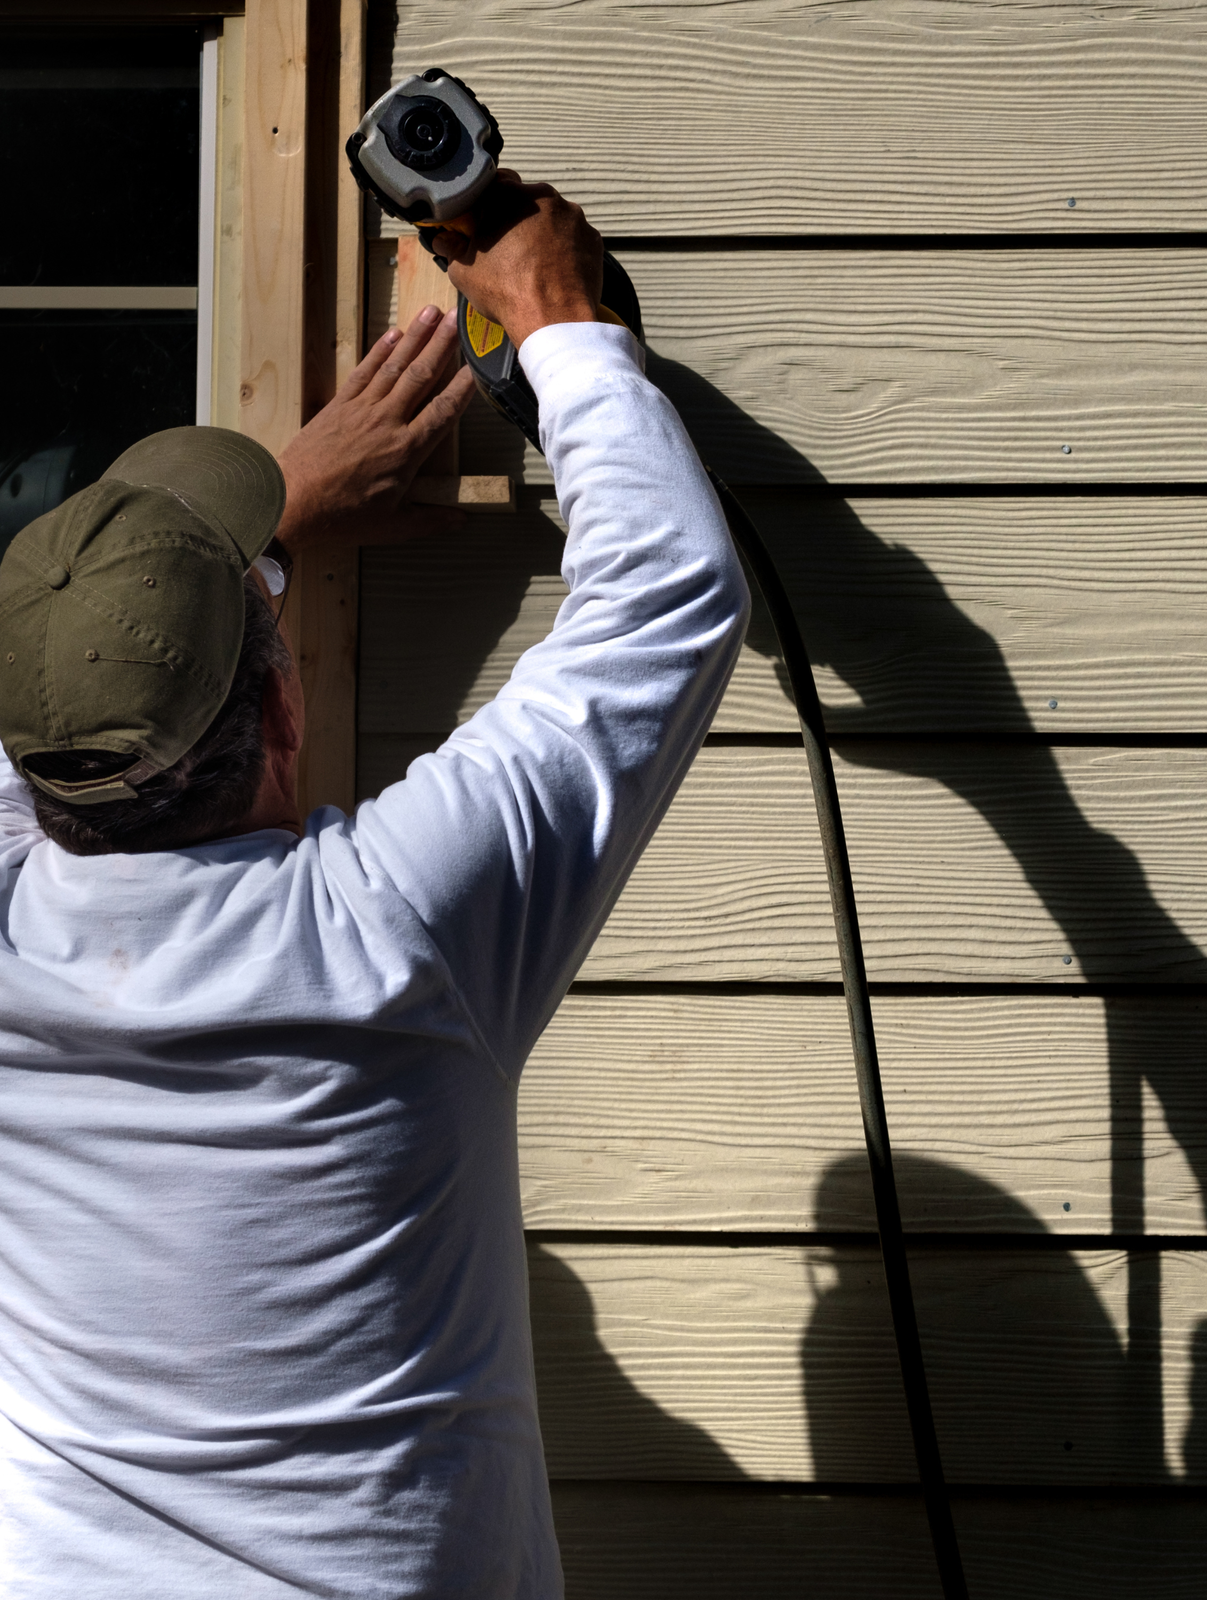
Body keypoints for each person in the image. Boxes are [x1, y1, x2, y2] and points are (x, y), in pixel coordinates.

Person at [0, 180, 749, 1597]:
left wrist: (269, 526)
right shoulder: (395, 930)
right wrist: (564, 327)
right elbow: (667, 591)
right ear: (284, 715)